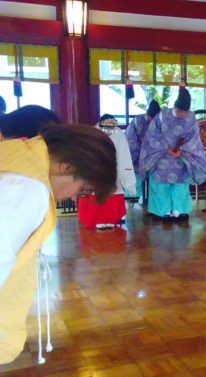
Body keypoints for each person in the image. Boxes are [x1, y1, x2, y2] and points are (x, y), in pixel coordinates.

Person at [0, 124, 117, 364]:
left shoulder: (16, 156)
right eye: (83, 189)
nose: (74, 198)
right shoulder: (27, 189)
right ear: (67, 167)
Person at [139, 88, 206, 222]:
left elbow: (194, 139)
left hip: (181, 157)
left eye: (185, 112)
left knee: (180, 185)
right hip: (161, 156)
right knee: (160, 185)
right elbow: (152, 134)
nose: (183, 114)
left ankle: (179, 210)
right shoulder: (162, 115)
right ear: (175, 106)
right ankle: (163, 211)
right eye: (180, 111)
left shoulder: (191, 118)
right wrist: (165, 148)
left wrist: (182, 151)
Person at [77, 114, 136, 229]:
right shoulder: (92, 134)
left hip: (113, 171)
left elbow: (124, 156)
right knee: (96, 196)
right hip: (96, 171)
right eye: (106, 128)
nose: (109, 131)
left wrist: (128, 182)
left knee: (112, 196)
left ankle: (110, 220)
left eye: (111, 128)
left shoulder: (118, 134)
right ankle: (96, 220)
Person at [126, 100, 160, 202]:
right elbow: (131, 140)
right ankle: (138, 195)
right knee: (136, 170)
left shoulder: (160, 121)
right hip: (137, 151)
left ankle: (152, 198)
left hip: (155, 153)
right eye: (150, 118)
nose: (152, 121)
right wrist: (138, 155)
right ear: (147, 114)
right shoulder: (137, 121)